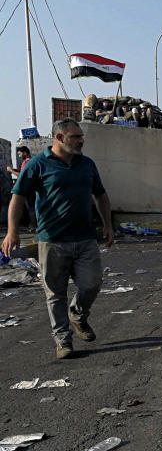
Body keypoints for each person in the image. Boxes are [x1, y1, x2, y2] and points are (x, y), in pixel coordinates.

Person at [2, 119, 114, 359]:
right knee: (55, 294)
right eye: (76, 137)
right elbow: (18, 197)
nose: (81, 140)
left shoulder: (87, 164)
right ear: (59, 138)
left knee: (92, 284)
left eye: (81, 136)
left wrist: (108, 225)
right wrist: (13, 231)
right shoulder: (37, 165)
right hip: (52, 240)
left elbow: (101, 195)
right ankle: (62, 339)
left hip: (85, 238)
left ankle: (78, 315)